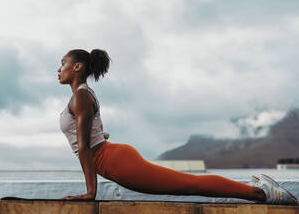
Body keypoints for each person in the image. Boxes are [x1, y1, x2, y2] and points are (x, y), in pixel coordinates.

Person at [57, 49, 298, 205]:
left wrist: (90, 193)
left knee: (189, 184)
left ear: (77, 67)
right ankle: (258, 191)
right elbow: (90, 137)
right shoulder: (83, 96)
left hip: (114, 161)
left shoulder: (80, 97)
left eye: (63, 63)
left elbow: (86, 147)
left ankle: (262, 193)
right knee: (188, 183)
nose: (59, 69)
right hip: (114, 156)